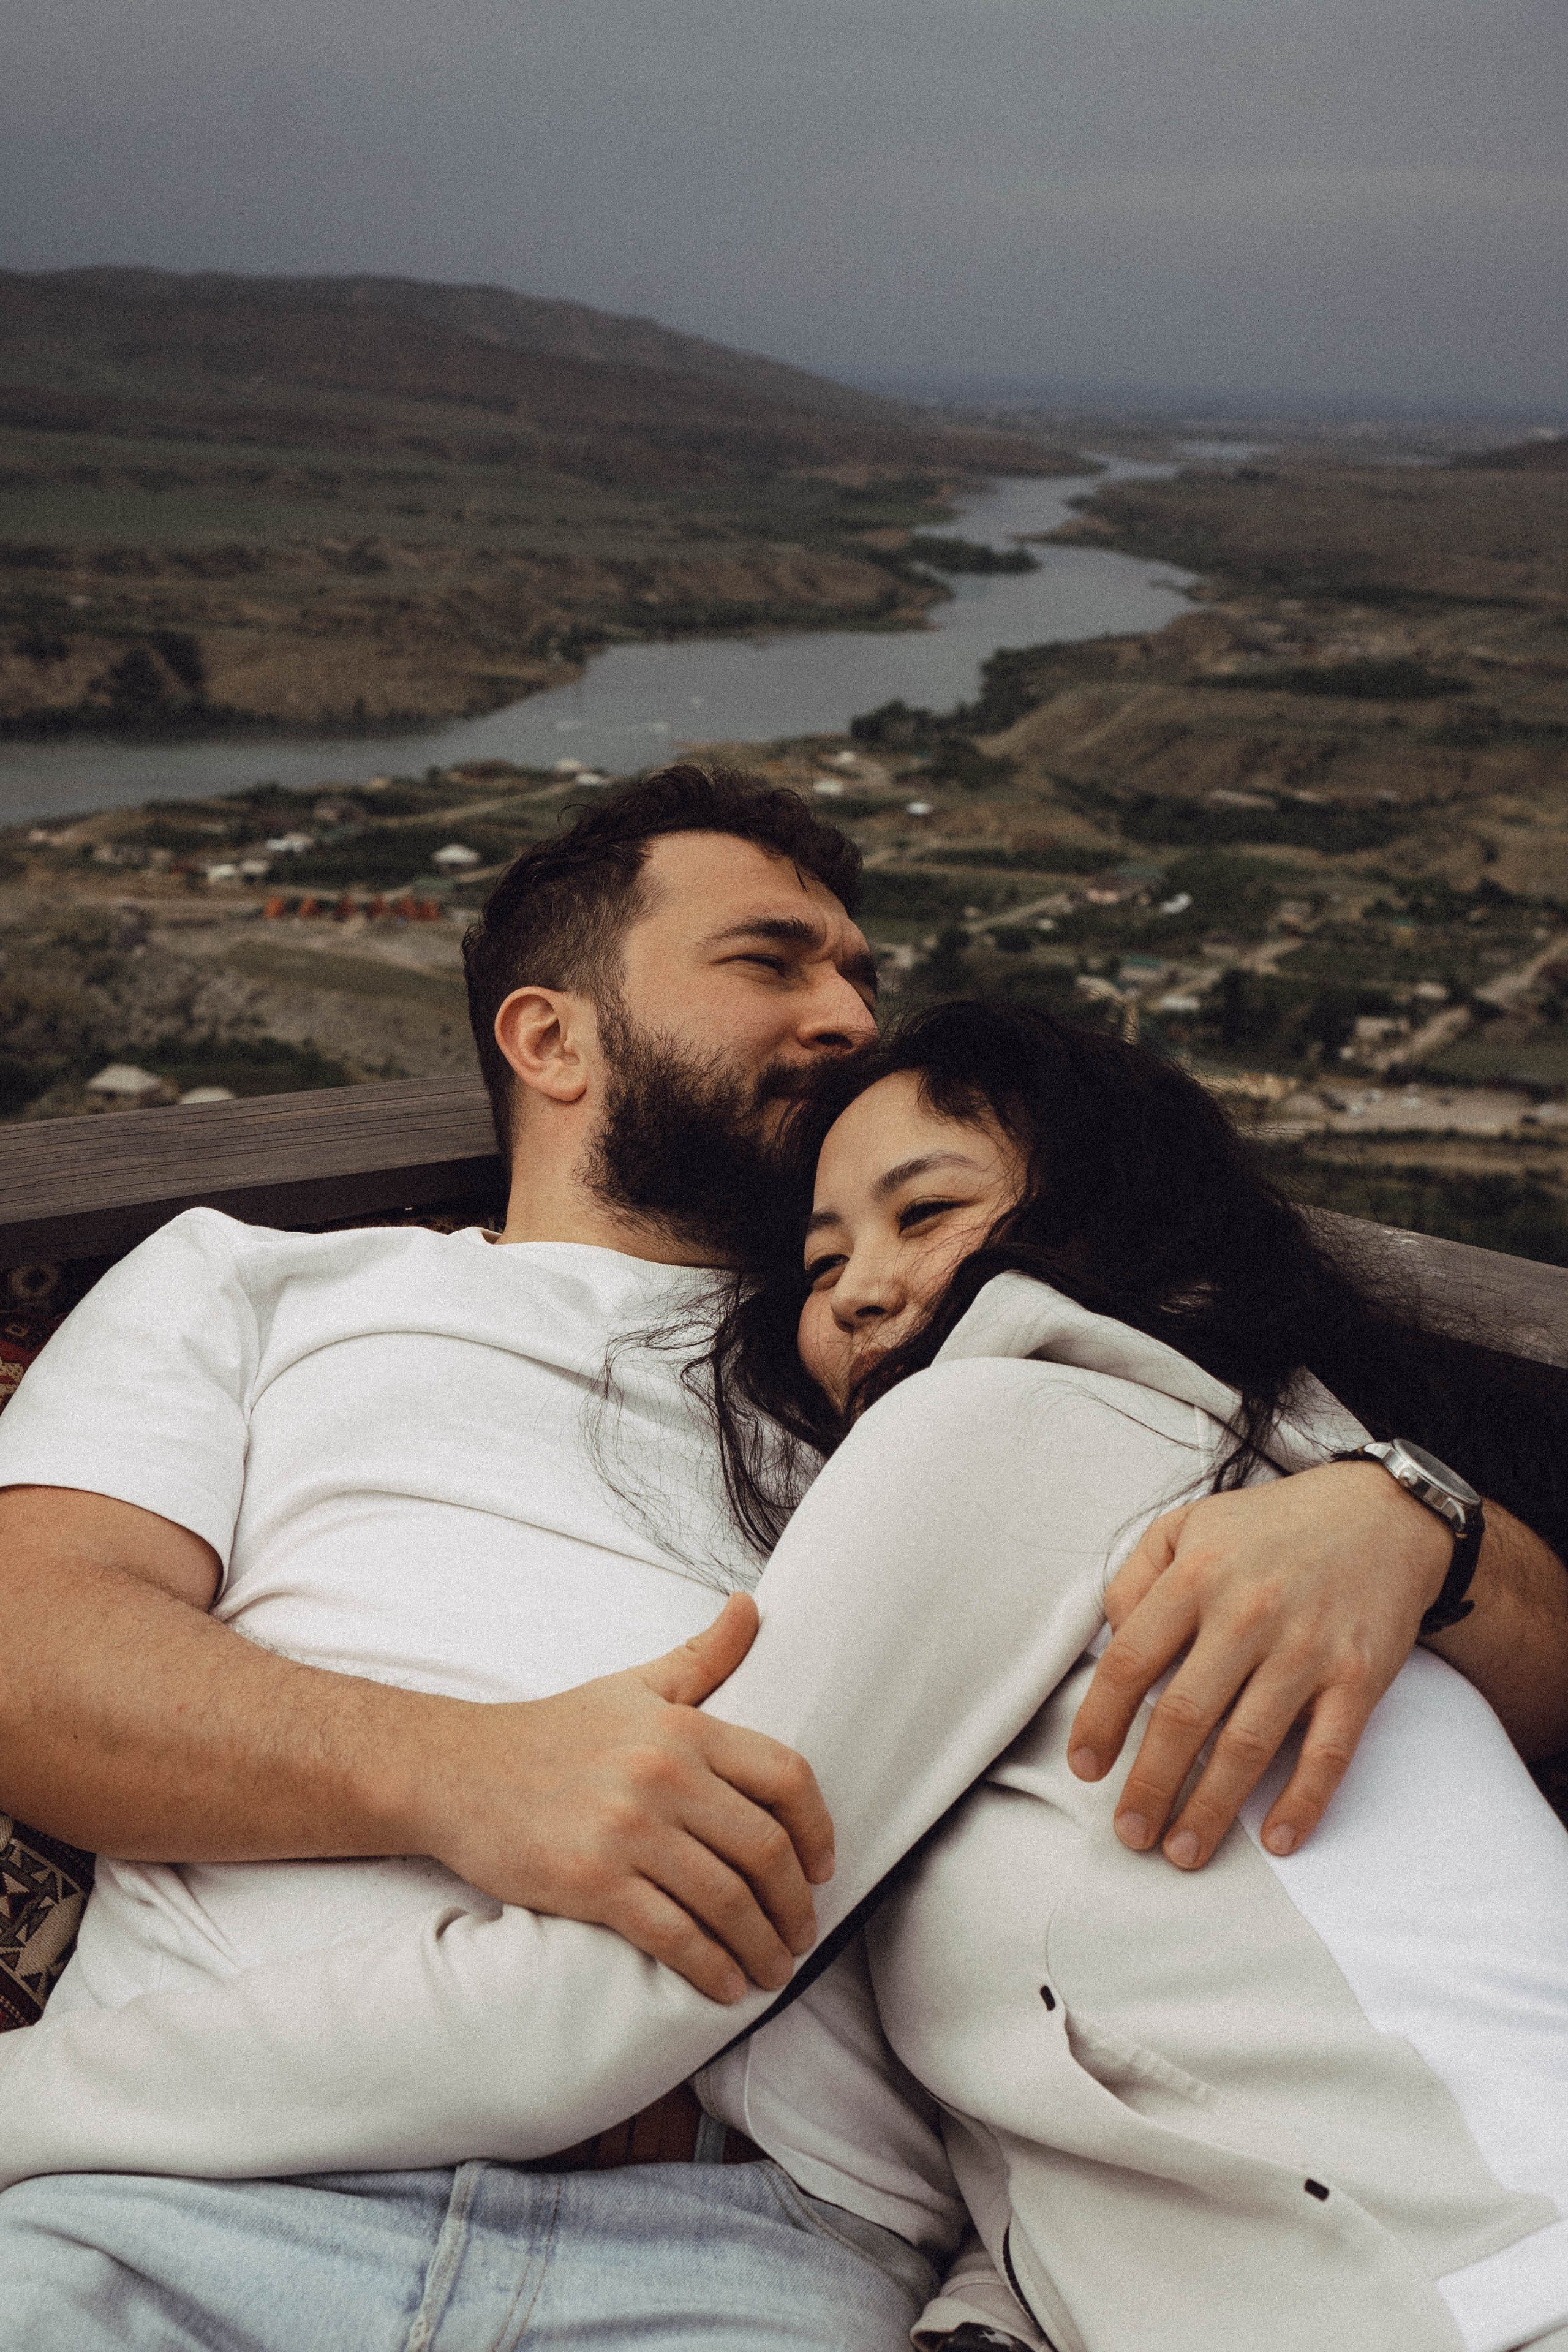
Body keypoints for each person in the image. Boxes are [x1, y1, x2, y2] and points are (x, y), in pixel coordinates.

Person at [0, 771, 1562, 2350]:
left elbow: (1523, 1658)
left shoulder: (940, 1349)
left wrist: (1399, 1511)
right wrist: (457, 1773)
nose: (846, 1017)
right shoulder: (258, 1288)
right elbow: (32, 1653)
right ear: (550, 1039)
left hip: (752, 2236)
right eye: (772, 962)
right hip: (185, 2180)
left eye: (862, 978)